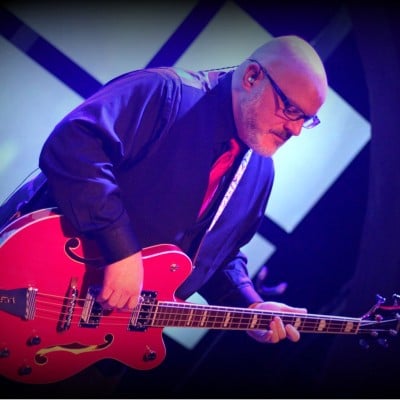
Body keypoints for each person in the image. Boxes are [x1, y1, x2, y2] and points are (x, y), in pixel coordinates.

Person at [0, 35, 327, 349]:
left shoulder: (261, 173)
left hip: (104, 345)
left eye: (307, 120)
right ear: (252, 77)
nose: (296, 129)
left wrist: (251, 306)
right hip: (33, 286)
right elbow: (74, 145)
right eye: (290, 109)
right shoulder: (165, 92)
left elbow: (217, 255)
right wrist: (120, 248)